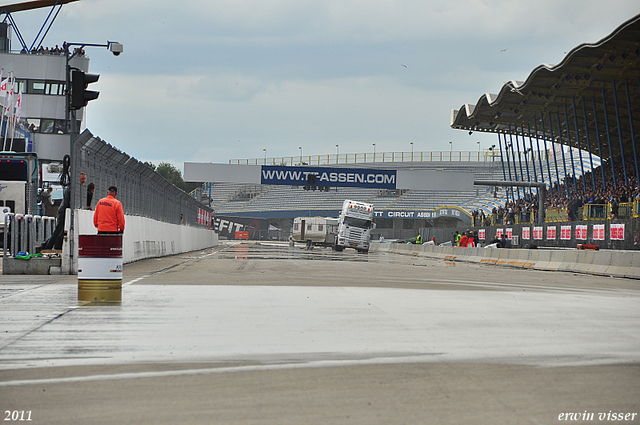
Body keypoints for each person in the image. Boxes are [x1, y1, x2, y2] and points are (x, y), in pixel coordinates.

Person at [41, 173, 86, 250]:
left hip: (64, 210)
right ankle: (47, 246)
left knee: (60, 230)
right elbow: (70, 201)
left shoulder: (73, 187)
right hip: (64, 211)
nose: (84, 181)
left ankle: (52, 246)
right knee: (59, 230)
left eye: (84, 179)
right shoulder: (73, 188)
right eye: (82, 179)